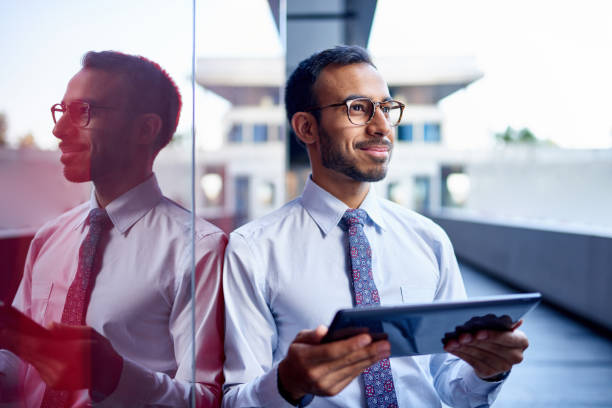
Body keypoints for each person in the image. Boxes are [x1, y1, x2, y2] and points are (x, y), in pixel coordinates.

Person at [222, 45, 529, 407]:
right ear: (306, 127)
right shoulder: (253, 249)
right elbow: (235, 400)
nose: (382, 126)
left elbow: (453, 387)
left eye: (386, 107)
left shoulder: (428, 240)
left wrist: (487, 370)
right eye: (358, 108)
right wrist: (287, 384)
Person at [0, 51, 226, 407]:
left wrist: (114, 376)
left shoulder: (201, 250)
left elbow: (208, 399)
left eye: (82, 112)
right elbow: (19, 362)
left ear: (145, 129)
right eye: (61, 112)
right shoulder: (48, 239)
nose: (58, 130)